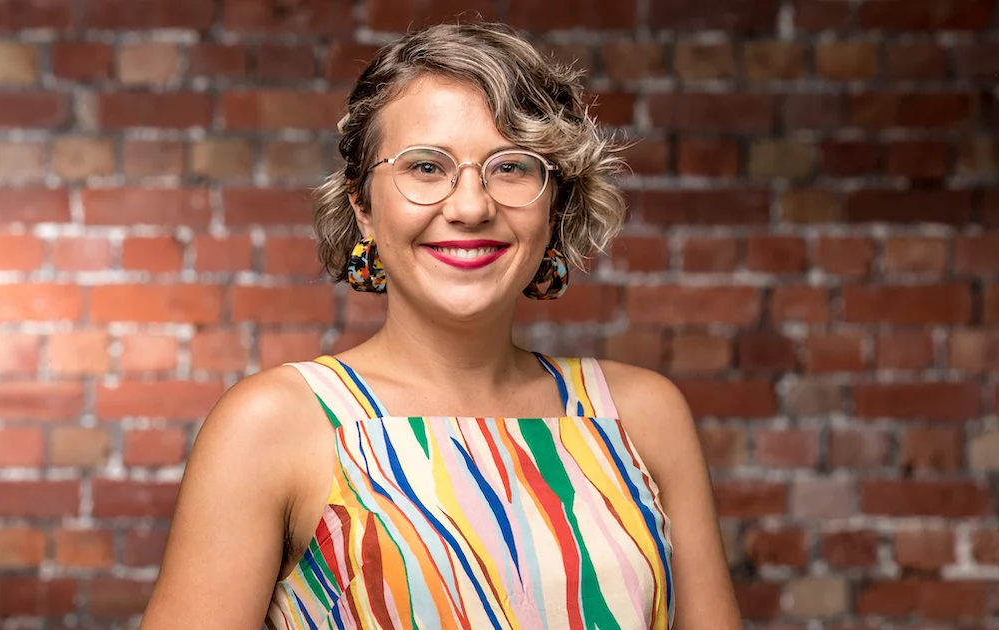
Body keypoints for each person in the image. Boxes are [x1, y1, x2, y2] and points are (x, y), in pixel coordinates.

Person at [142, 21, 742, 630]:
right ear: (363, 207)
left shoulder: (642, 415)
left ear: (554, 203)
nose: (470, 206)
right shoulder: (273, 424)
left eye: (512, 167)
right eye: (426, 167)